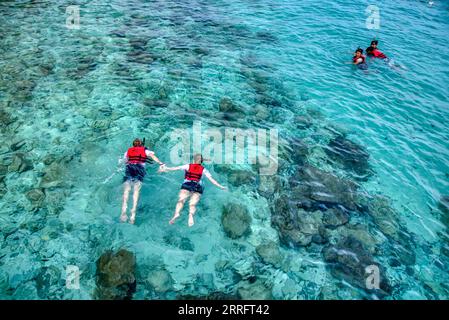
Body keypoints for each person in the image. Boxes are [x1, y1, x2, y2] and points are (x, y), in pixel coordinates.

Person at [158, 154, 227, 227]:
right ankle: (190, 216)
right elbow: (212, 180)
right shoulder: (204, 170)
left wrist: (165, 168)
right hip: (197, 187)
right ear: (201, 162)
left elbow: (173, 169)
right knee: (192, 204)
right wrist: (221, 186)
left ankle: (177, 213)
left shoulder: (188, 166)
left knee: (181, 200)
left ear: (193, 160)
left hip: (187, 185)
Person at [120, 138, 164, 224]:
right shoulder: (145, 150)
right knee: (136, 192)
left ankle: (123, 213)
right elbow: (153, 156)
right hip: (139, 168)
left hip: (129, 168)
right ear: (141, 145)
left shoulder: (127, 151)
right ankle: (132, 215)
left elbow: (123, 161)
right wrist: (161, 163)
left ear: (133, 145)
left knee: (126, 191)